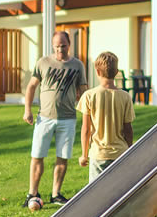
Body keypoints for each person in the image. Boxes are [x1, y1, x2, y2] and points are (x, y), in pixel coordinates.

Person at [22, 31, 88, 207]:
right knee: (37, 156)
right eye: (57, 46)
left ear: (69, 45)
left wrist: (86, 112)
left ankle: (56, 194)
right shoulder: (43, 62)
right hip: (44, 118)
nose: (60, 49)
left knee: (62, 157)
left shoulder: (77, 65)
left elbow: (84, 91)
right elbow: (31, 87)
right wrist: (27, 110)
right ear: (53, 45)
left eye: (63, 46)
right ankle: (32, 193)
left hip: (68, 119)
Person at [77, 51, 135, 182]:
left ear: (97, 72)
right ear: (116, 72)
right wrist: (130, 149)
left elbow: (86, 129)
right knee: (118, 191)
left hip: (98, 155)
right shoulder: (125, 97)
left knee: (97, 193)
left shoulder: (89, 95)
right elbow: (128, 129)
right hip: (120, 153)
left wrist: (84, 155)